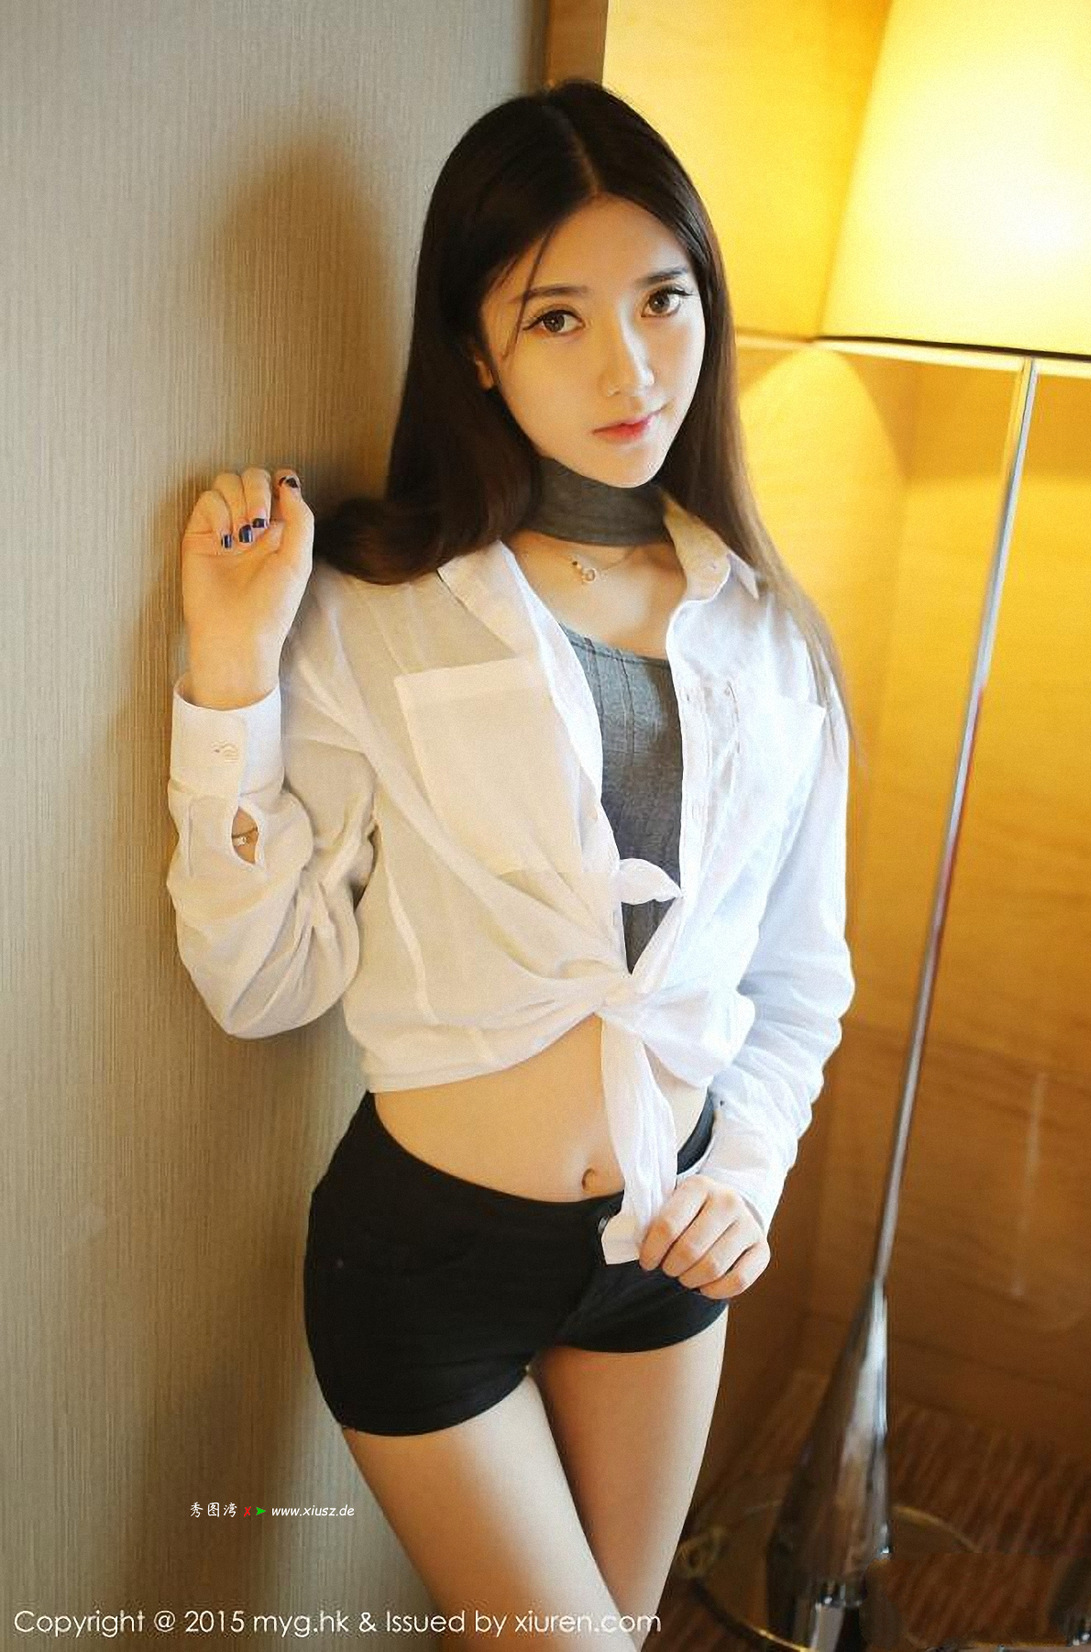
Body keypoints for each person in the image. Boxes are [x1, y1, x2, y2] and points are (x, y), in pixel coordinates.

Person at [166, 78, 857, 1651]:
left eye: (664, 299)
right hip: (428, 1262)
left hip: (667, 1254)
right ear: (475, 349)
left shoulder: (772, 633)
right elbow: (263, 985)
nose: (632, 367)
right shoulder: (378, 607)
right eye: (558, 318)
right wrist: (231, 675)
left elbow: (798, 978)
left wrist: (747, 1176)